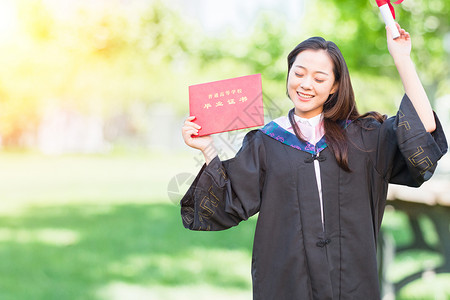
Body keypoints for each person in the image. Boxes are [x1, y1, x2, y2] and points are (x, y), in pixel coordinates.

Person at [180, 23, 447, 299]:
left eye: (319, 78)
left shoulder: (365, 138)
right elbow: (228, 202)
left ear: (334, 87)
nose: (305, 84)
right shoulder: (267, 141)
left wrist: (402, 59)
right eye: (299, 73)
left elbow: (423, 126)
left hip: (352, 286)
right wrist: (207, 149)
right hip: (287, 286)